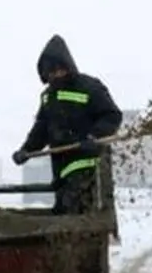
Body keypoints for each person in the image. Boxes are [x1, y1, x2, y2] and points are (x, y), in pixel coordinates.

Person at [12, 34, 122, 215]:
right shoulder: (48, 96)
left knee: (74, 212)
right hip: (61, 168)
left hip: (86, 164)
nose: (56, 76)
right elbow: (41, 129)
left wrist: (94, 137)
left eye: (59, 70)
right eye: (51, 73)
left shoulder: (89, 87)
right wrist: (26, 150)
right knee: (65, 213)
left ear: (68, 66)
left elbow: (112, 115)